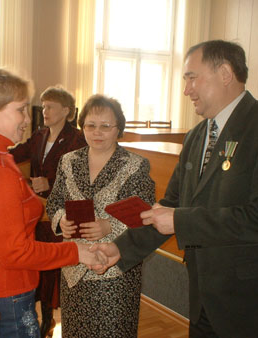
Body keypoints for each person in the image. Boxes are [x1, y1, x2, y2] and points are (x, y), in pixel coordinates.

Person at [91, 40, 258, 337]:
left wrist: (179, 220)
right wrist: (120, 247)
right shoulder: (195, 137)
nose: (186, 89)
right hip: (203, 300)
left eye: (192, 77)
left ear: (225, 73)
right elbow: (171, 205)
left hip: (255, 305)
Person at [0, 66, 101, 338]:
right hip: (3, 298)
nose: (26, 119)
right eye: (20, 110)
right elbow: (15, 253)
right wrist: (75, 251)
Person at [46, 94, 155, 337]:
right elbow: (53, 203)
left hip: (114, 271)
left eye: (106, 126)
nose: (97, 132)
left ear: (119, 128)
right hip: (74, 266)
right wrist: (61, 220)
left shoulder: (135, 165)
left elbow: (145, 217)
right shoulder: (68, 161)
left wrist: (109, 226)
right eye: (90, 125)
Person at [9, 85, 86, 337]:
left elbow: (81, 177)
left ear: (66, 110)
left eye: (50, 106)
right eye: (43, 106)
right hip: (36, 213)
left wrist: (51, 184)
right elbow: (17, 153)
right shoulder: (39, 135)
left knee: (53, 266)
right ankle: (38, 313)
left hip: (61, 212)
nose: (45, 111)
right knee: (37, 263)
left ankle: (49, 318)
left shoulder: (77, 139)